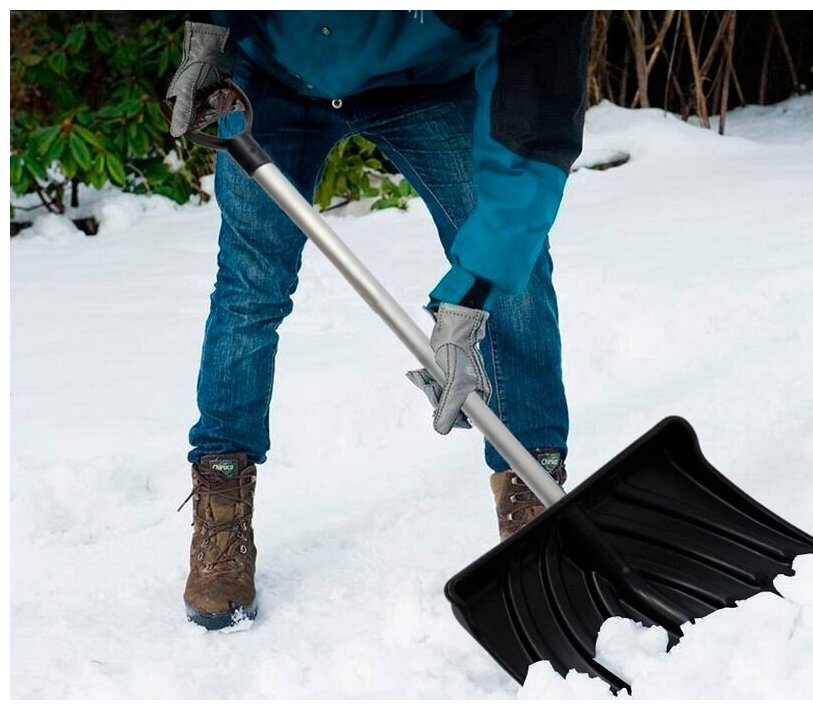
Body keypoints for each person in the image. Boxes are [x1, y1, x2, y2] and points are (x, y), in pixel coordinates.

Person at [166, 11, 592, 630]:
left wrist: (472, 292)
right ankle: (222, 501)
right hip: (277, 78)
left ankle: (535, 497)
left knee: (516, 284)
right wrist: (209, 33)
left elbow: (531, 130)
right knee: (248, 289)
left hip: (428, 80)